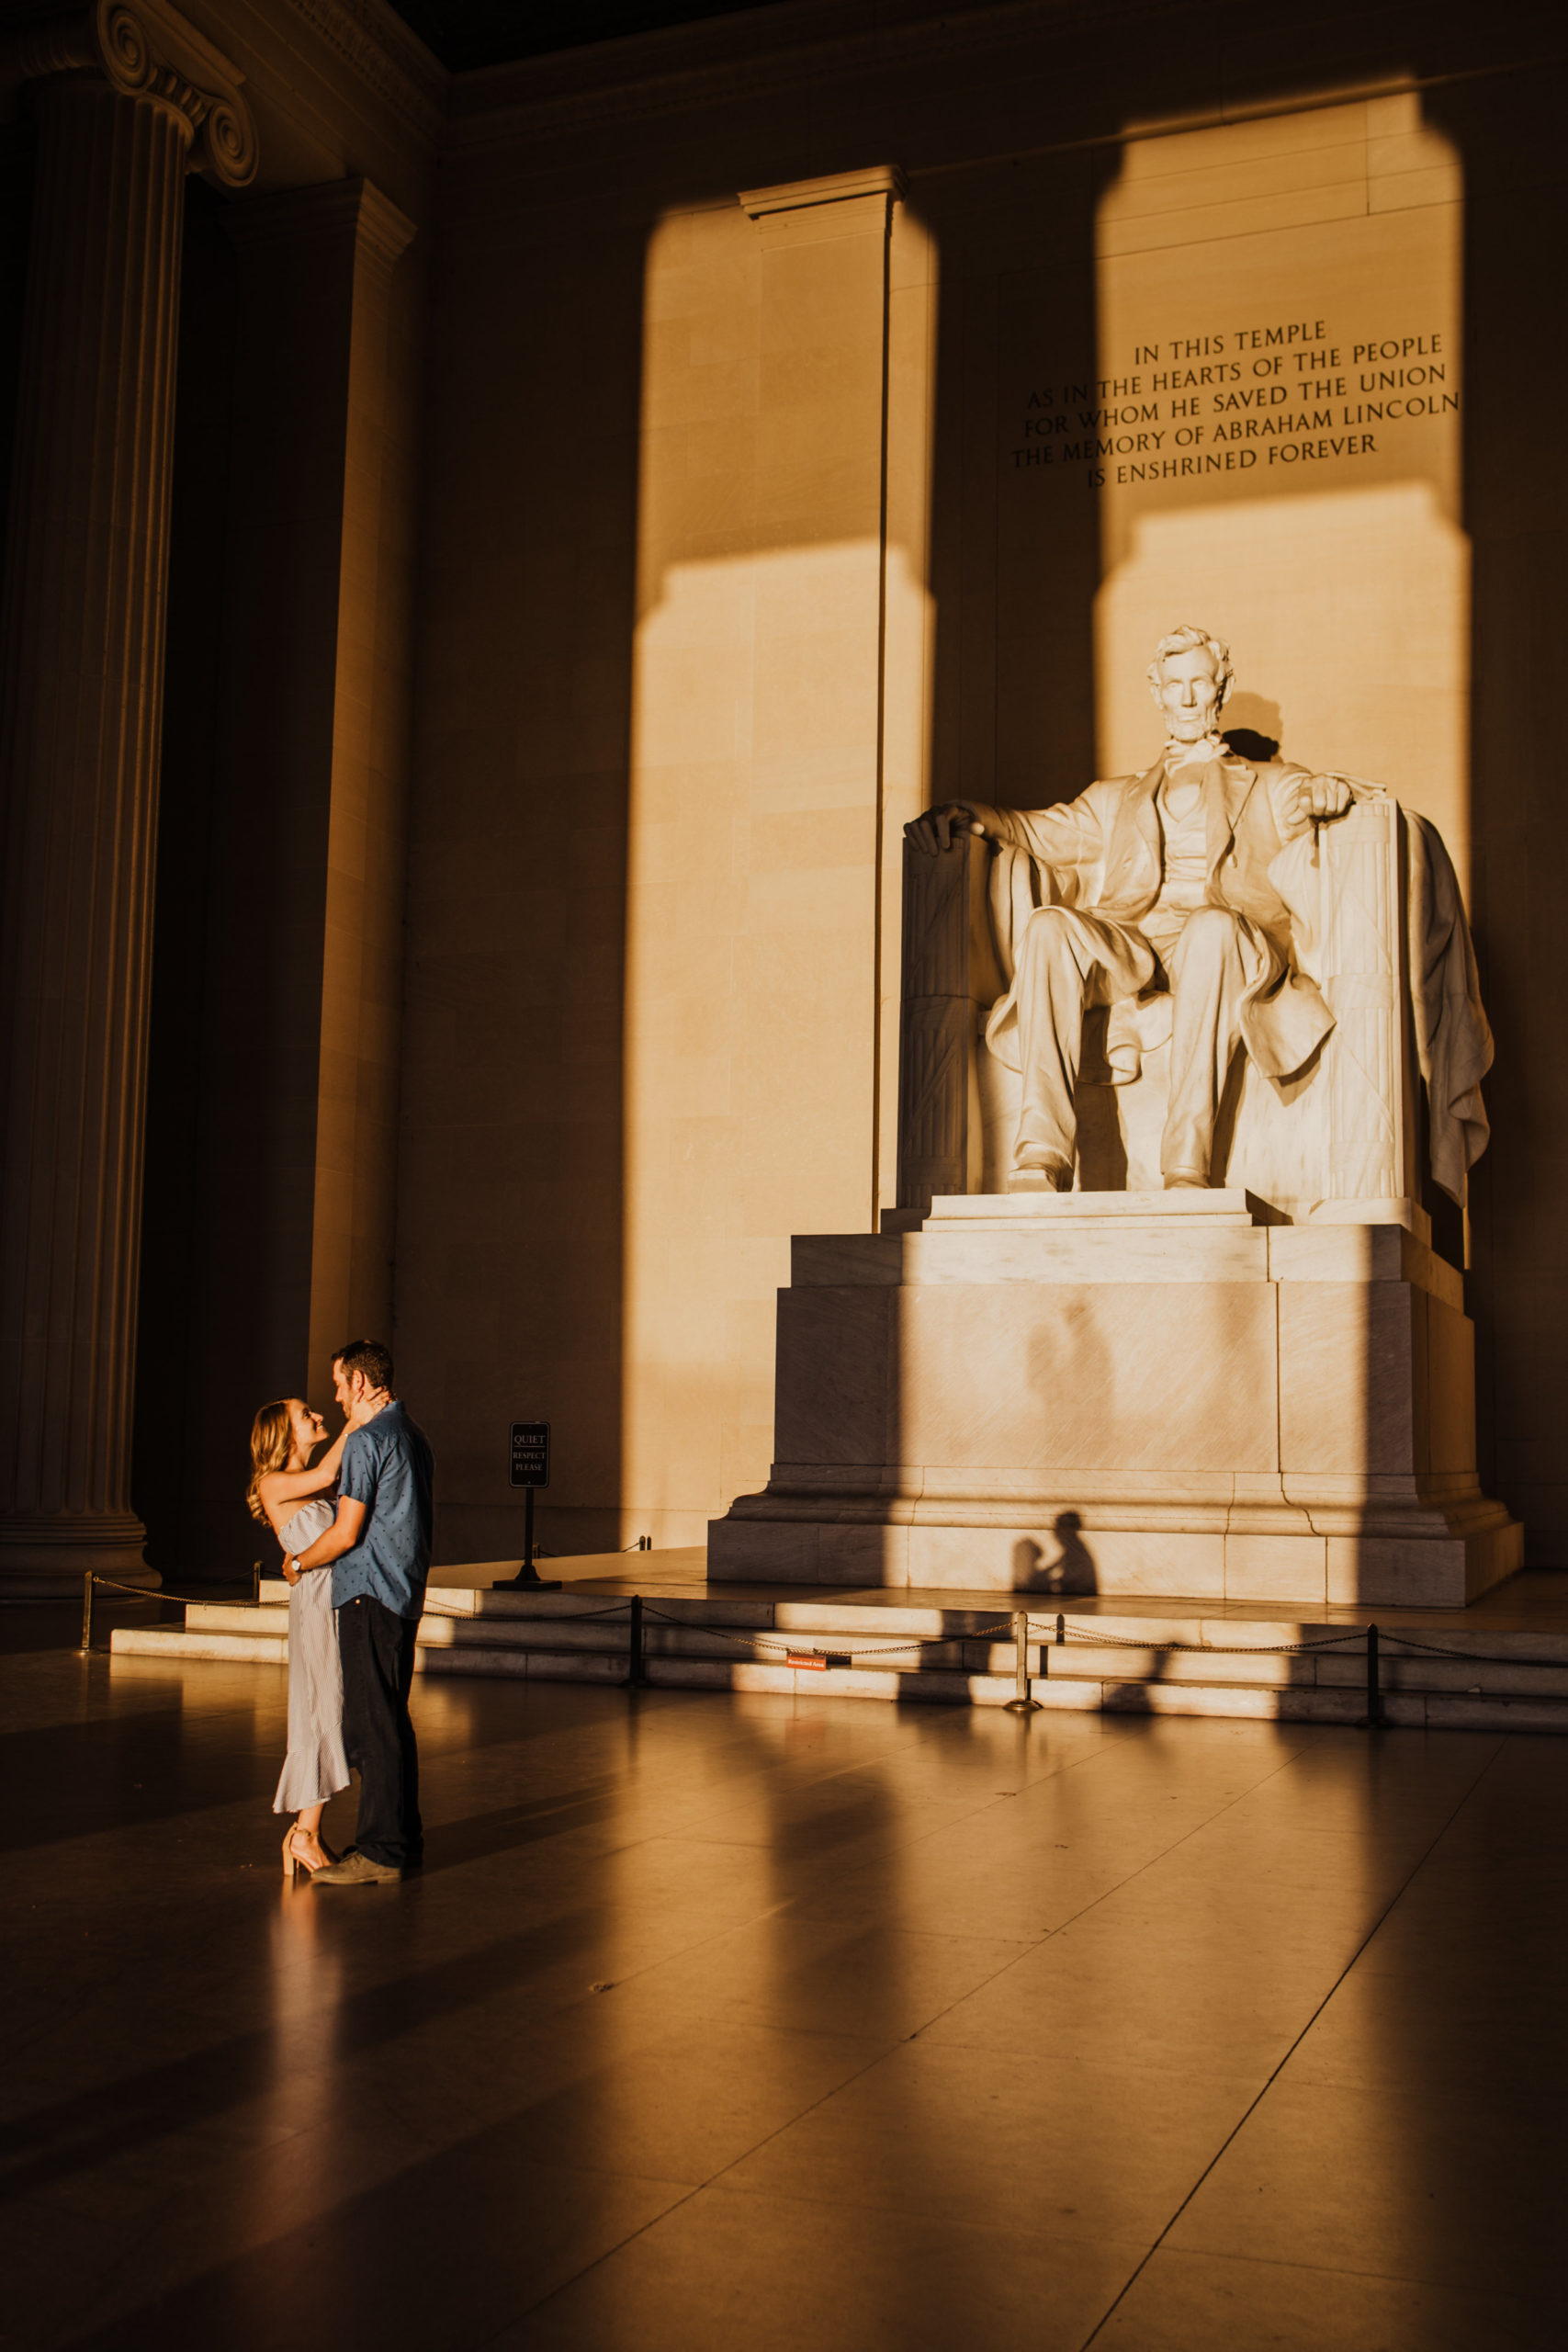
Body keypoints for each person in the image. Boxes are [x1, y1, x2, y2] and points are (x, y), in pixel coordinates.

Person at [908, 625, 1356, 1189]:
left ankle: (1186, 1163)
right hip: (1135, 946)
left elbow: (1307, 799)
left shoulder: (1269, 783)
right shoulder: (1115, 797)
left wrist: (1325, 795)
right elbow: (1039, 830)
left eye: (1199, 682)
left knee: (1211, 929)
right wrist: (967, 813)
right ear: (1158, 692)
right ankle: (1041, 1155)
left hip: (1223, 942)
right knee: (1049, 926)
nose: (1188, 697)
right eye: (1175, 685)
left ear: (1222, 686)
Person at [288, 1340, 434, 1887]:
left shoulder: (370, 1440)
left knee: (371, 1727)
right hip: (401, 1592)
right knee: (392, 1721)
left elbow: (346, 1532)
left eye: (338, 1383)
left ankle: (381, 1852)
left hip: (369, 1593)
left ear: (362, 1383)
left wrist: (301, 1560)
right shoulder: (413, 1436)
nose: (335, 1395)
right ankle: (402, 1841)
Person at [247, 1396, 366, 1878]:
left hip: (330, 1599)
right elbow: (321, 1478)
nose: (318, 1415)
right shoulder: (273, 1482)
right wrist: (355, 1421)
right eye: (306, 1415)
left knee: (332, 1707)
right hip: (315, 1606)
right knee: (323, 1707)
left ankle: (305, 1832)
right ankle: (305, 1834)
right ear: (285, 1434)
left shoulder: (313, 1485)